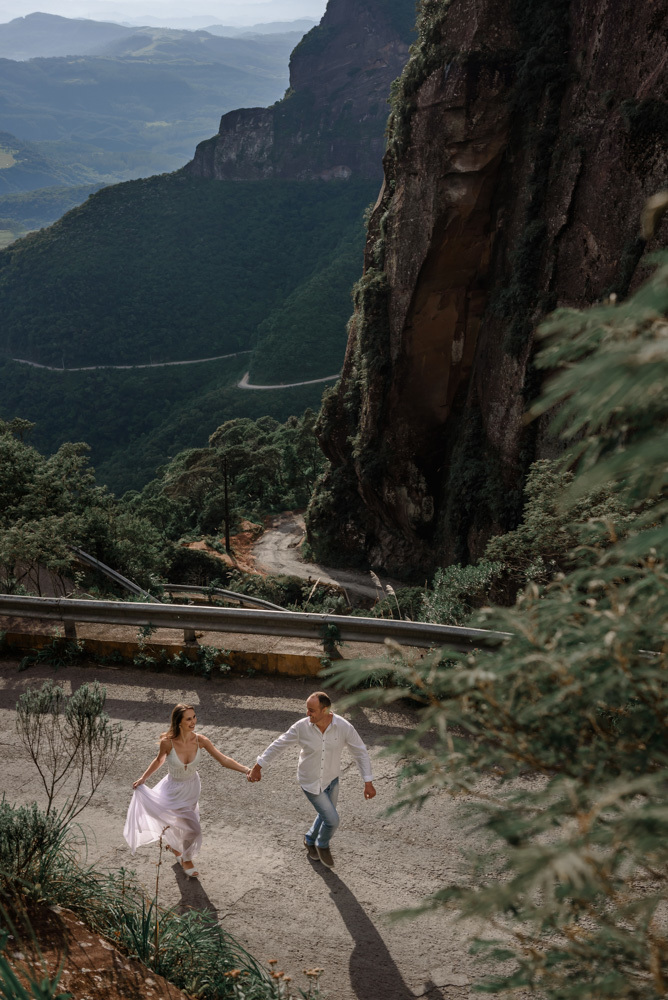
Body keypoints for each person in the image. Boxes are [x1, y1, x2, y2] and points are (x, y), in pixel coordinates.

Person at [248, 691, 376, 868]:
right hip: (310, 781)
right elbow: (279, 744)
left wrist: (368, 781)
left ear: (325, 710)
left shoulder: (343, 727)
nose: (308, 713)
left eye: (312, 710)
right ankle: (322, 844)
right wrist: (258, 766)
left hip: (332, 780)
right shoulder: (302, 727)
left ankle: (309, 839)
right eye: (307, 709)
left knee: (325, 814)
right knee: (332, 820)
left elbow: (360, 752)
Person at [124, 702, 251, 877]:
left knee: (183, 823)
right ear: (179, 722)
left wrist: (246, 770)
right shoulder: (167, 743)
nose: (193, 722)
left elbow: (223, 760)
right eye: (188, 719)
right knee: (193, 828)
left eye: (194, 717)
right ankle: (187, 858)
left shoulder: (201, 741)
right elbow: (159, 760)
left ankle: (177, 849)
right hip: (173, 789)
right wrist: (144, 778)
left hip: (191, 788)